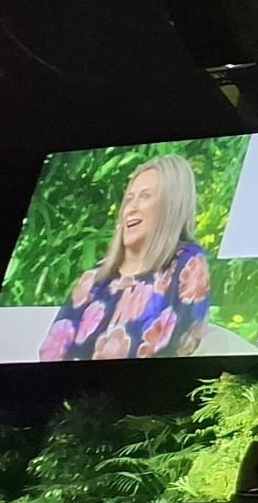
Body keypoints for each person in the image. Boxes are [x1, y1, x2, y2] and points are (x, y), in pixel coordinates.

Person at [42, 154, 211, 362]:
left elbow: (176, 350)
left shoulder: (187, 264)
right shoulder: (95, 277)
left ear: (171, 206)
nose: (131, 208)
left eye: (145, 197)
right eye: (129, 199)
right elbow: (52, 352)